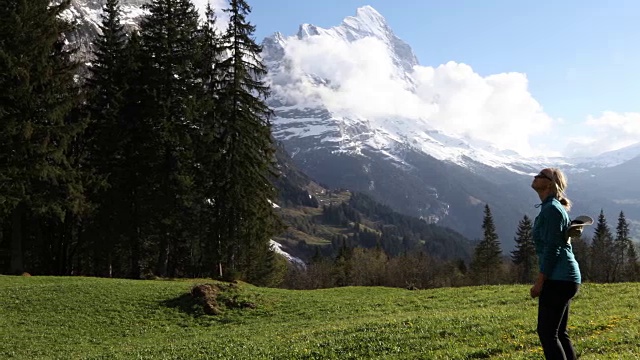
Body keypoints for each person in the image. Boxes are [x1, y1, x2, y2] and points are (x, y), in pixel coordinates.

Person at [530, 167, 582, 360]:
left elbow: (553, 249)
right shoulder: (552, 207)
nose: (535, 177)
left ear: (550, 183)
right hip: (567, 277)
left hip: (558, 278)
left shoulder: (552, 209)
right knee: (559, 333)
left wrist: (540, 282)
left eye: (541, 175)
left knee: (547, 333)